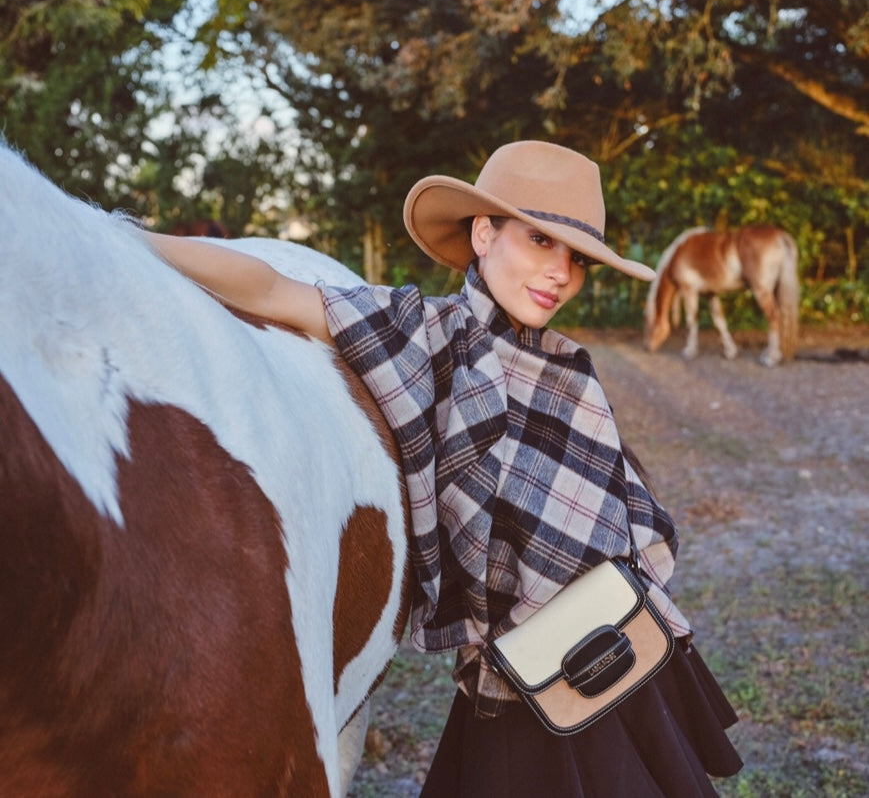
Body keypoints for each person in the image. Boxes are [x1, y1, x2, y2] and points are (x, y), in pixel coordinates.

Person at [145, 140, 743, 796]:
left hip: (621, 638)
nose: (559, 274)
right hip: (522, 670)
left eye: (575, 258)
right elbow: (270, 288)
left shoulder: (568, 367)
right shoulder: (421, 333)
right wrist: (131, 241)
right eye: (540, 240)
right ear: (482, 232)